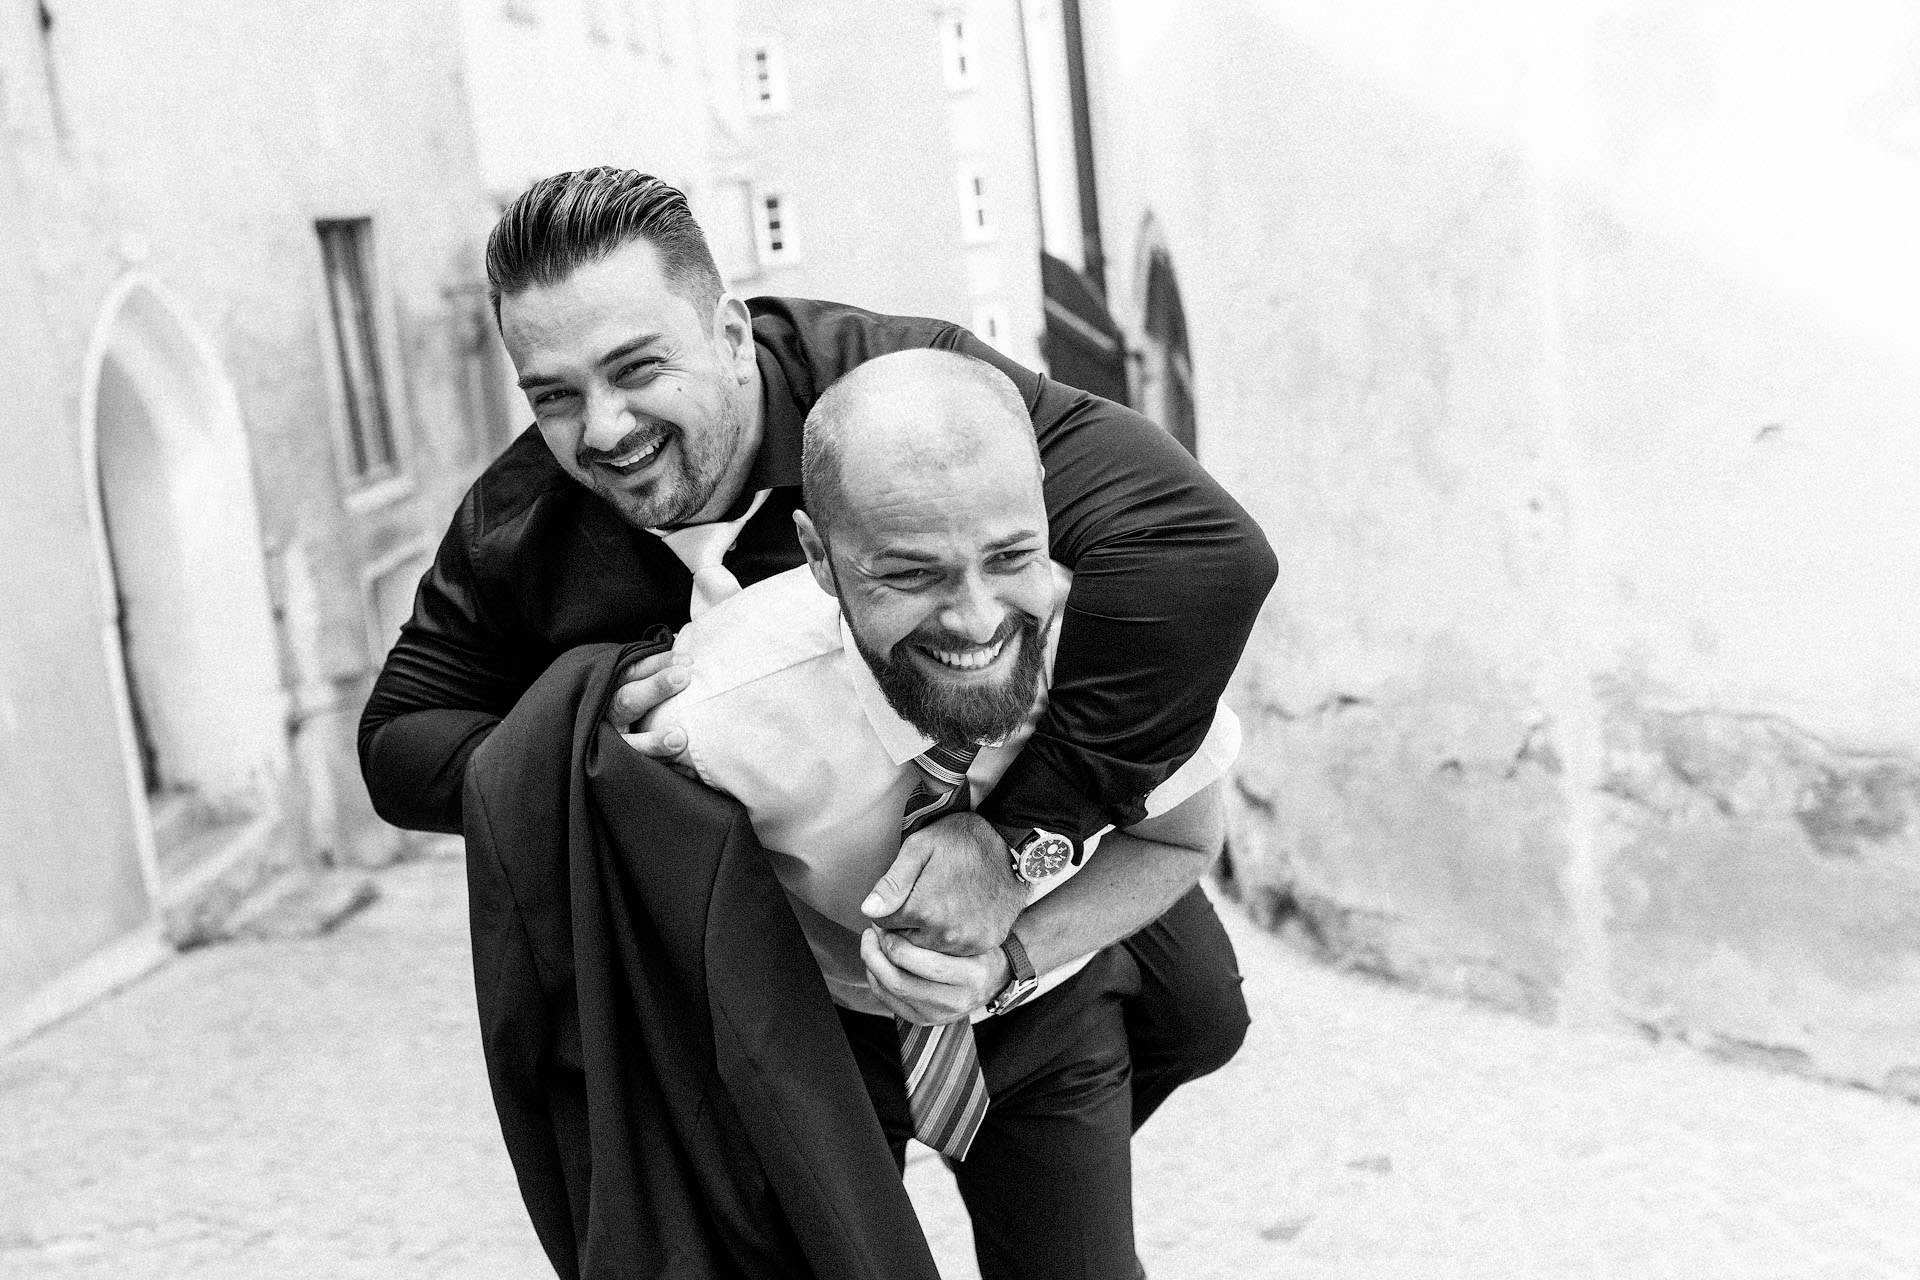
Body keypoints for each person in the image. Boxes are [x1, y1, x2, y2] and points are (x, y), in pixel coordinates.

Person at [358, 166, 1274, 1128]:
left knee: (1199, 1014)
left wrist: (1012, 846)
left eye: (637, 369)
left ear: (728, 335)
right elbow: (397, 745)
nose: (604, 429)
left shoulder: (901, 402)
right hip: (778, 935)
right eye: (552, 395)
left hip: (998, 792)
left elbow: (1201, 551)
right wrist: (580, 719)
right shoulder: (515, 526)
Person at [644, 348, 1237, 1280]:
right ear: (818, 559)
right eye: (912, 575)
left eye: (1010, 556)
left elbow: (1182, 837)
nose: (976, 622)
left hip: (1047, 1009)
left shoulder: (1118, 649)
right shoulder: (710, 717)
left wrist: (1010, 959)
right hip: (825, 1039)